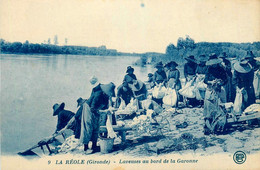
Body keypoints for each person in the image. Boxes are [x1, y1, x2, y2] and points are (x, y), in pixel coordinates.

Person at [80, 82, 116, 153]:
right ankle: (86, 147)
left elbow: (105, 107)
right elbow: (92, 108)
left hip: (97, 110)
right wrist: (104, 111)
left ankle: (94, 146)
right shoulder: (98, 94)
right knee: (88, 127)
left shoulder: (106, 97)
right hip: (88, 109)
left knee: (96, 126)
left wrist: (108, 110)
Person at [203, 54, 228, 135]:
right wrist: (211, 82)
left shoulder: (221, 69)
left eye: (214, 63)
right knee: (209, 107)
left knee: (222, 106)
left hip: (219, 89)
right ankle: (208, 125)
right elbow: (205, 80)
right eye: (212, 64)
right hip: (210, 89)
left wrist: (221, 82)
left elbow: (225, 80)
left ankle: (221, 125)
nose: (213, 65)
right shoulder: (208, 69)